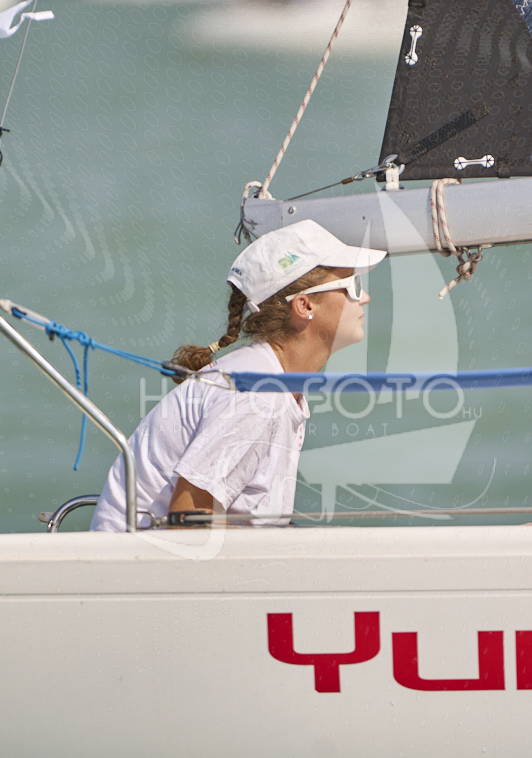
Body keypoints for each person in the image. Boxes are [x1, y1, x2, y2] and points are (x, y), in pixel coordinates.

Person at [90, 221, 384, 531]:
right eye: (354, 286)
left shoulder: (270, 380)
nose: (364, 298)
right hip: (141, 558)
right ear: (304, 304)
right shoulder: (258, 394)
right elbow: (188, 521)